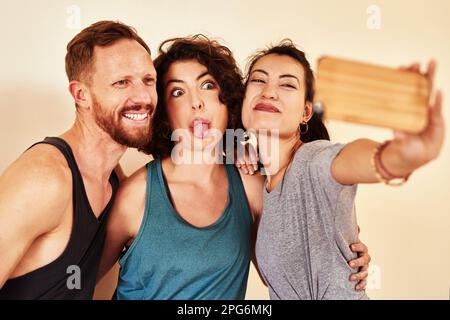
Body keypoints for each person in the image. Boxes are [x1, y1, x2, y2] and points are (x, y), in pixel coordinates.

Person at [97, 35, 370, 300]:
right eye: (178, 92)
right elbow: (79, 280)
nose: (196, 101)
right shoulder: (137, 194)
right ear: (164, 112)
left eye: (207, 86)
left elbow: (285, 264)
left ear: (228, 99)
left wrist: (345, 253)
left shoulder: (251, 185)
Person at [238, 40, 444, 299]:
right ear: (243, 99)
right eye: (258, 80)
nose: (269, 91)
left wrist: (400, 156)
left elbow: (350, 159)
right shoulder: (258, 186)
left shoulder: (313, 161)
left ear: (305, 112)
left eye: (287, 84)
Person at [0, 20, 157, 299]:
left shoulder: (113, 180)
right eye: (122, 82)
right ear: (80, 95)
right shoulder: (43, 178)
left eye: (148, 80)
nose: (143, 96)